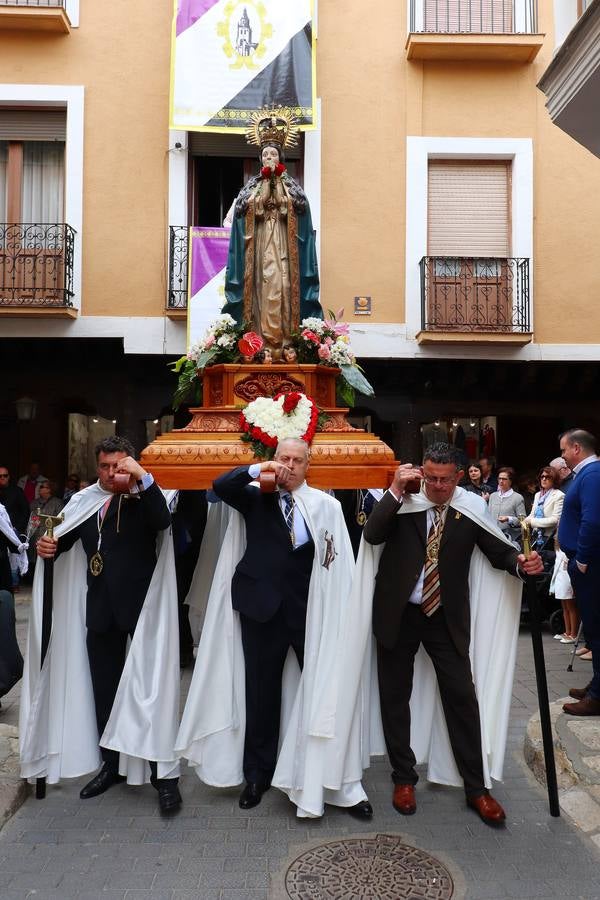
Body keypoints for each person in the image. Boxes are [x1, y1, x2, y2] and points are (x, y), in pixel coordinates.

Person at [176, 437, 373, 820]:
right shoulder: (254, 496)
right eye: (283, 458)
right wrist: (257, 470)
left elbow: (336, 562)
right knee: (260, 693)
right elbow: (219, 487)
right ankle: (257, 775)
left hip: (307, 612)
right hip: (260, 608)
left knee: (321, 691)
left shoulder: (326, 506)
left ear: (307, 466)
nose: (289, 465)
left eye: (297, 460)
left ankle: (330, 777)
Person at [362, 443, 543, 825]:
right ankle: (403, 778)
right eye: (431, 478)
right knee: (395, 697)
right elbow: (373, 535)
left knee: (462, 698)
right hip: (399, 614)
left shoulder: (470, 507)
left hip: (445, 617)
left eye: (445, 480)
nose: (437, 486)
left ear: (459, 477)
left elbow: (499, 552)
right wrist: (396, 489)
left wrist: (521, 564)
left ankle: (476, 788)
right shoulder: (403, 503)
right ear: (422, 473)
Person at [21, 436, 181, 813]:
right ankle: (111, 765)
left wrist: (141, 476)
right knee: (105, 691)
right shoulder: (84, 500)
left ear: (130, 464)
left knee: (150, 692)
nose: (111, 474)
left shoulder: (147, 496)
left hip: (144, 611)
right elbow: (59, 538)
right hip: (101, 609)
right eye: (105, 467)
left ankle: (163, 775)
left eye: (118, 466)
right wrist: (45, 547)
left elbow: (163, 522)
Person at [222, 109, 321, 359]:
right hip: (259, 249)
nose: (269, 158)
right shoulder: (252, 187)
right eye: (265, 154)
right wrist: (265, 189)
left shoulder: (292, 187)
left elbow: (300, 212)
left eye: (273, 154)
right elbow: (245, 213)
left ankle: (287, 340)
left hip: (285, 248)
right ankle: (258, 341)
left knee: (284, 286)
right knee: (262, 290)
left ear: (280, 157)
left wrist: (281, 195)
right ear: (260, 158)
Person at [557, 429, 600, 715]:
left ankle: (598, 696)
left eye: (563, 451)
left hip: (591, 564)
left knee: (597, 628)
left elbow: (593, 520)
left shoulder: (592, 474)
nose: (561, 456)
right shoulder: (587, 474)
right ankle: (598, 684)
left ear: (576, 448)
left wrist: (582, 559)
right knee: (595, 629)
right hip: (586, 563)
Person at [26, 480, 64, 576]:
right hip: (34, 535)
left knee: (47, 559)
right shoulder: (34, 503)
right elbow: (30, 518)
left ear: (49, 489)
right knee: (33, 559)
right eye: (41, 486)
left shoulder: (58, 503)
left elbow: (61, 520)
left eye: (43, 486)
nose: (40, 488)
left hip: (49, 535)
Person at [488, 467, 526, 547]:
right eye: (499, 478)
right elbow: (488, 516)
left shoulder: (518, 498)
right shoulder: (493, 496)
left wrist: (509, 519)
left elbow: (523, 521)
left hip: (509, 539)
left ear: (511, 481)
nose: (501, 481)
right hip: (492, 537)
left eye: (504, 479)